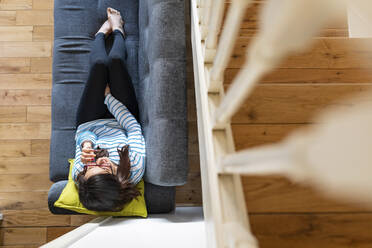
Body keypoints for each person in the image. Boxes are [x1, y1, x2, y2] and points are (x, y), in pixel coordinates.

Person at [71, 7, 145, 212]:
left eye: (91, 168)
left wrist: (86, 143)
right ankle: (118, 29)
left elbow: (83, 133)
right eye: (105, 168)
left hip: (90, 121)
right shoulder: (134, 166)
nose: (99, 162)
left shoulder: (81, 172)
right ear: (118, 179)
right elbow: (133, 128)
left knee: (99, 65)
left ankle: (100, 35)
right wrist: (109, 99)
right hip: (123, 118)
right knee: (115, 62)